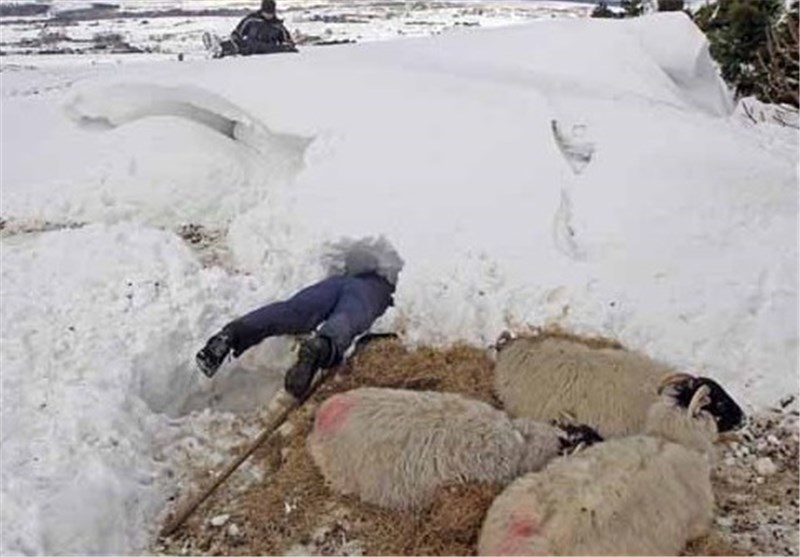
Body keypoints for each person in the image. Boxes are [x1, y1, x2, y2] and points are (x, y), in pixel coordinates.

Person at [196, 239, 402, 400]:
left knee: (294, 310)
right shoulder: (389, 282)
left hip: (338, 282)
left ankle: (233, 333)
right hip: (373, 291)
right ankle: (321, 346)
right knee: (346, 317)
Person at [203, 0, 296, 59]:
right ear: (262, 10)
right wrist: (235, 39)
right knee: (239, 45)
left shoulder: (278, 26)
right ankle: (218, 47)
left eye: (270, 13)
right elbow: (237, 33)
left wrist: (289, 45)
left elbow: (287, 41)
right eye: (266, 12)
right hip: (249, 48)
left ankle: (220, 48)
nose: (268, 15)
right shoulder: (252, 20)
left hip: (268, 51)